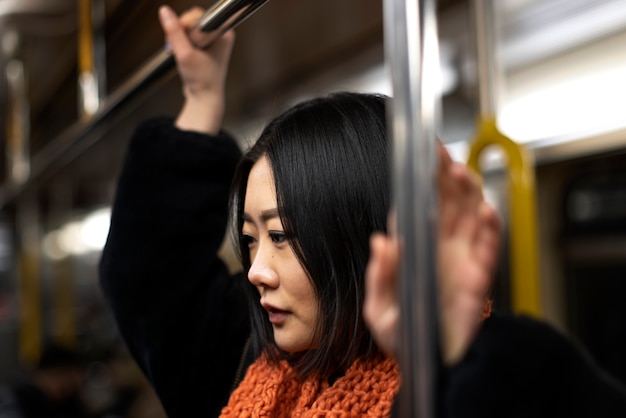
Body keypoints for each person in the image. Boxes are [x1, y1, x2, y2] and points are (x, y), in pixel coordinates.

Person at [99, 4, 626, 418]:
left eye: (280, 236)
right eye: (251, 238)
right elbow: (149, 276)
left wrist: (449, 353)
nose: (256, 271)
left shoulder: (480, 381)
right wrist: (201, 97)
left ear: (365, 236)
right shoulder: (244, 358)